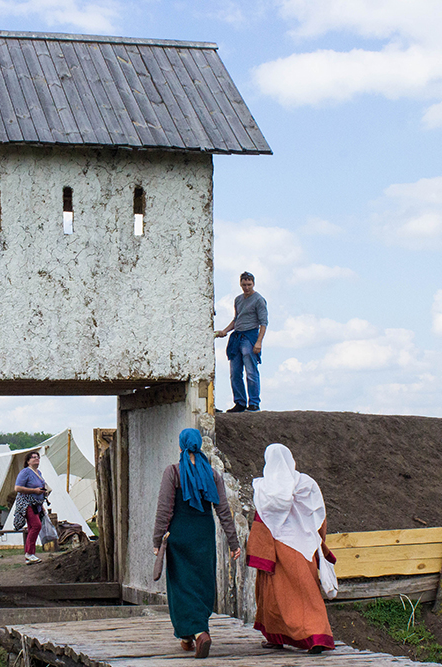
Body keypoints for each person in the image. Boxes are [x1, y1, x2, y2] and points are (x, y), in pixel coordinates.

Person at [152, 428, 240, 659]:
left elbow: (164, 509)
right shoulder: (211, 474)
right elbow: (223, 511)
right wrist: (233, 542)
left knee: (181, 586)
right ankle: (188, 636)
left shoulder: (173, 472)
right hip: (203, 536)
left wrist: (156, 539)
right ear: (199, 445)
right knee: (201, 583)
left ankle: (199, 633)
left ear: (181, 446)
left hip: (179, 536)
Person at [246, 443, 335, 654]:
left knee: (275, 597)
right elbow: (319, 515)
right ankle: (316, 636)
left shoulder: (265, 489)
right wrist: (319, 542)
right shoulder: (307, 484)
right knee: (308, 593)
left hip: (277, 550)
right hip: (304, 547)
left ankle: (281, 638)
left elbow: (262, 522)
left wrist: (260, 552)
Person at [215, 271, 267, 412]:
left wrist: (259, 342)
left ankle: (254, 402)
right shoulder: (238, 299)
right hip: (237, 337)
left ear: (253, 284)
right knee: (235, 372)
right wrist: (225, 331)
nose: (246, 287)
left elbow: (263, 323)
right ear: (240, 284)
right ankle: (240, 402)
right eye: (244, 284)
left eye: (249, 284)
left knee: (251, 371)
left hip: (250, 336)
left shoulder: (259, 300)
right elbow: (236, 319)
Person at [13, 451, 51, 564]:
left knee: (32, 527)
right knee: (36, 526)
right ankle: (29, 553)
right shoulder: (25, 472)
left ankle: (29, 555)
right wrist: (34, 491)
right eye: (33, 457)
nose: (36, 459)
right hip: (27, 503)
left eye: (37, 457)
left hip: (37, 504)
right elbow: (17, 488)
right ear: (28, 461)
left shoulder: (38, 472)